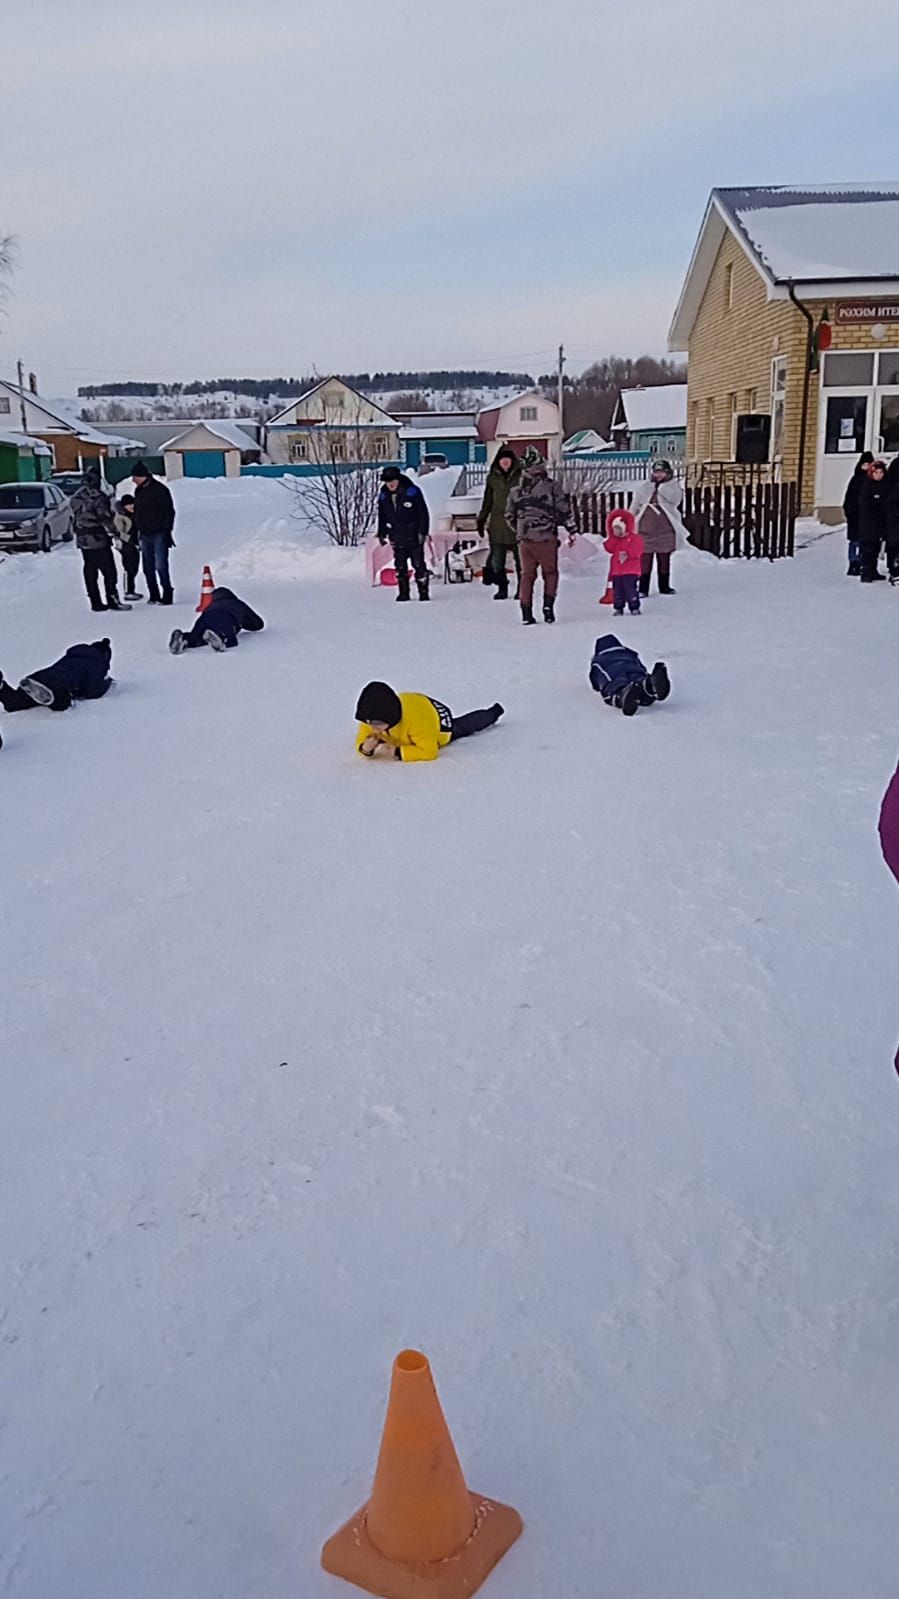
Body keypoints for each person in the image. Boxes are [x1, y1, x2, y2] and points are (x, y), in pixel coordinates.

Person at [505, 447, 574, 625]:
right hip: (546, 537)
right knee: (550, 573)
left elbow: (509, 516)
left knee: (527, 575)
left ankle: (526, 613)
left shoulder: (516, 491)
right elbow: (563, 509)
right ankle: (548, 607)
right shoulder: (552, 486)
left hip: (525, 540)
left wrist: (520, 531)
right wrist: (572, 529)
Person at [355, 681, 503, 763]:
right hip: (413, 702)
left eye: (376, 723)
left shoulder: (418, 723)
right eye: (368, 722)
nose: (372, 727)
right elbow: (361, 741)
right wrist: (365, 748)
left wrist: (398, 752)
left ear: (390, 718)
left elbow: (429, 752)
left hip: (436, 722)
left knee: (463, 726)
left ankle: (492, 713)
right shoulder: (371, 718)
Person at [70, 467, 129, 613]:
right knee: (109, 571)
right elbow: (105, 519)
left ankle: (95, 602)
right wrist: (116, 534)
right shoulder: (99, 498)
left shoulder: (75, 498)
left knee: (90, 570)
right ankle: (112, 600)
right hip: (98, 538)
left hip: (83, 539)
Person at [0, 639, 112, 715]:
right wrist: (107, 683)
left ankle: (2, 687)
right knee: (62, 705)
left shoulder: (74, 655)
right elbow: (93, 692)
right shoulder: (96, 663)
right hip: (57, 684)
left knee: (14, 703)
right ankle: (45, 694)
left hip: (38, 677)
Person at [630, 460, 686, 596]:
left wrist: (661, 487)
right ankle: (643, 588)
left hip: (665, 529)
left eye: (661, 472)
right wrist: (629, 519)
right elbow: (636, 504)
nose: (658, 475)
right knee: (645, 559)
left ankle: (664, 586)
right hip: (645, 529)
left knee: (664, 558)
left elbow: (675, 500)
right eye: (656, 472)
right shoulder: (645, 487)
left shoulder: (674, 487)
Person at [377, 466, 430, 602]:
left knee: (418, 564)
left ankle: (423, 592)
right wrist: (382, 533)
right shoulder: (383, 495)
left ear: (398, 479)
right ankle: (403, 592)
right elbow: (382, 515)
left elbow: (423, 513)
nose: (390, 484)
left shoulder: (412, 492)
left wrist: (422, 532)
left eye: (393, 481)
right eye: (387, 481)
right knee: (400, 566)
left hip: (414, 535)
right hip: (396, 535)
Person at [477, 446, 522, 600]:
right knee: (498, 561)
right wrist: (482, 518)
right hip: (497, 524)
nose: (505, 462)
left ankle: (522, 589)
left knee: (520, 560)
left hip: (516, 524)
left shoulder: (521, 476)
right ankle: (502, 588)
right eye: (502, 459)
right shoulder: (492, 478)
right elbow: (487, 500)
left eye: (507, 459)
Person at [589, 634, 670, 717]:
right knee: (639, 679)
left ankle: (622, 695)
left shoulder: (598, 660)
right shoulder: (630, 654)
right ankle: (648, 685)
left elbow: (595, 680)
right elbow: (641, 667)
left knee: (615, 686)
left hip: (615, 674)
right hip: (633, 669)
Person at [169, 587, 265, 653]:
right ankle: (220, 638)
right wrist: (242, 623)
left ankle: (184, 639)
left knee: (196, 636)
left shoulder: (210, 605)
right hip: (226, 618)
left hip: (205, 618)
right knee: (231, 641)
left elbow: (205, 617)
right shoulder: (238, 603)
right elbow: (258, 624)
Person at [132, 461, 176, 605]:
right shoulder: (138, 491)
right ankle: (154, 594)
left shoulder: (160, 490)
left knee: (161, 566)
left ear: (143, 476)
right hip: (144, 534)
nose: (133, 480)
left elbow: (169, 512)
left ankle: (167, 594)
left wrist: (166, 531)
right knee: (147, 567)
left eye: (135, 477)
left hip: (159, 534)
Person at [603, 507, 644, 615]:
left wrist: (628, 554)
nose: (616, 531)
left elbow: (638, 550)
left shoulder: (634, 538)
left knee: (631, 589)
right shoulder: (615, 540)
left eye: (618, 528)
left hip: (630, 570)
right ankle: (618, 607)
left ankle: (634, 606)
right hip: (617, 571)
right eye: (614, 529)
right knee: (618, 591)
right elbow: (609, 548)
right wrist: (613, 538)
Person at [842, 452, 873, 577]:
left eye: (869, 465)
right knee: (854, 541)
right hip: (855, 516)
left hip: (867, 517)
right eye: (864, 465)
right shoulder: (855, 480)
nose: (866, 467)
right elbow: (849, 498)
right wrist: (850, 512)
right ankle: (853, 562)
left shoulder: (872, 481)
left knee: (864, 541)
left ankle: (862, 562)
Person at [858, 459, 888, 582]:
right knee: (868, 549)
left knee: (875, 548)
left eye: (881, 472)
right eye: (876, 472)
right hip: (868, 524)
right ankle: (866, 572)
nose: (879, 475)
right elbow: (864, 503)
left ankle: (873, 570)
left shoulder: (885, 485)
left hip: (879, 524)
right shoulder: (867, 485)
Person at [114, 493, 142, 602]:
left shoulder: (136, 514)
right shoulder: (120, 517)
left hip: (135, 544)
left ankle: (131, 590)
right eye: (129, 505)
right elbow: (119, 532)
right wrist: (128, 540)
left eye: (132, 504)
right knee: (129, 567)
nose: (131, 506)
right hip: (126, 544)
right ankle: (128, 591)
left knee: (135, 567)